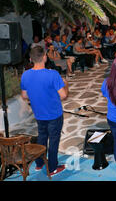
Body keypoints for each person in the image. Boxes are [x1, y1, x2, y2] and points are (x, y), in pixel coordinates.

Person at [20, 46, 68, 176]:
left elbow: (24, 96)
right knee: (53, 140)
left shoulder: (25, 75)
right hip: (54, 114)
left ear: (31, 59)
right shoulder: (53, 74)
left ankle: (39, 164)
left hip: (39, 114)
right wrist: (66, 84)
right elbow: (63, 95)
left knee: (42, 138)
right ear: (45, 57)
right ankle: (52, 168)